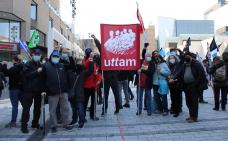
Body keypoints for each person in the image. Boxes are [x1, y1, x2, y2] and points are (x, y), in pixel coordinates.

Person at [42, 50, 73, 133]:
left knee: (66, 108)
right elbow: (42, 80)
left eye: (57, 57)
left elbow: (72, 66)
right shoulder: (46, 66)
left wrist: (69, 55)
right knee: (52, 110)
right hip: (52, 92)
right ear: (51, 57)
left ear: (59, 58)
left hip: (63, 91)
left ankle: (66, 124)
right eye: (54, 57)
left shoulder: (62, 65)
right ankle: (53, 125)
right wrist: (44, 90)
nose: (56, 58)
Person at [91, 34, 120, 115]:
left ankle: (117, 108)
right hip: (106, 78)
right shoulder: (104, 54)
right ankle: (104, 109)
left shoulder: (116, 53)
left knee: (116, 95)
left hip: (114, 78)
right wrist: (95, 38)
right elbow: (99, 46)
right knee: (105, 95)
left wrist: (117, 73)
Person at [174, 52, 207, 123]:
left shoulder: (197, 64)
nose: (186, 57)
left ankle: (194, 117)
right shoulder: (184, 64)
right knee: (188, 102)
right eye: (185, 56)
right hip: (186, 86)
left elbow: (201, 76)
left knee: (194, 102)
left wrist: (195, 84)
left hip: (195, 86)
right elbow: (179, 73)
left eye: (188, 56)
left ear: (191, 57)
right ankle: (191, 115)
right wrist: (173, 78)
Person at [21, 49, 45, 133]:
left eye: (39, 54)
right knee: (26, 109)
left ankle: (35, 123)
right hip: (28, 90)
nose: (37, 56)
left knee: (37, 109)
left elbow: (42, 78)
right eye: (36, 54)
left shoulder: (40, 64)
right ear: (33, 55)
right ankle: (24, 126)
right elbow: (27, 75)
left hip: (38, 91)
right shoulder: (27, 64)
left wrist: (43, 90)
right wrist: (36, 71)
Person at [3, 56, 23, 128]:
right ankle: (24, 119)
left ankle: (13, 122)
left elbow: (5, 73)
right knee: (24, 105)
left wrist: (4, 64)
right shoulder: (23, 67)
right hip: (21, 89)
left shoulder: (13, 69)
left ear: (14, 61)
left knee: (15, 106)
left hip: (14, 89)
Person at [83, 48, 100, 120]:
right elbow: (84, 67)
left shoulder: (94, 62)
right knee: (85, 101)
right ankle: (82, 116)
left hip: (93, 85)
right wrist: (89, 60)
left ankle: (92, 115)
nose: (91, 54)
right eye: (90, 53)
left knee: (93, 102)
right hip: (86, 85)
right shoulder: (85, 61)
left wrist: (99, 78)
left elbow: (96, 72)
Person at [68, 59, 86, 128]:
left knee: (77, 108)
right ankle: (79, 121)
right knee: (77, 108)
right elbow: (90, 71)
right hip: (77, 94)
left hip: (75, 94)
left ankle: (77, 120)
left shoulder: (71, 73)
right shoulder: (82, 73)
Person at [167, 53, 183, 117]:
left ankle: (177, 110)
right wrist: (168, 77)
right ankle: (173, 108)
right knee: (172, 97)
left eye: (173, 58)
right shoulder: (168, 65)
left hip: (177, 83)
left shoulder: (178, 65)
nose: (172, 59)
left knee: (177, 97)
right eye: (170, 58)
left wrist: (174, 79)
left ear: (175, 58)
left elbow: (179, 73)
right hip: (171, 84)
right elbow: (167, 73)